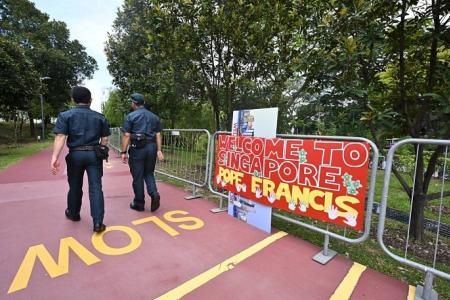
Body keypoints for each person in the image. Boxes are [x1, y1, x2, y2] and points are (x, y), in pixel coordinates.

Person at [50, 86, 111, 232]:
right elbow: (105, 138)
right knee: (96, 187)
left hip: (75, 155)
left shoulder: (65, 116)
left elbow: (60, 136)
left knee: (75, 186)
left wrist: (54, 157)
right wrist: (101, 149)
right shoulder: (100, 117)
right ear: (90, 100)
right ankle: (98, 222)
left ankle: (73, 213)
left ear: (73, 100)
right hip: (93, 155)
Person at [121, 92, 164, 212]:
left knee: (138, 176)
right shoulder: (154, 117)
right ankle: (154, 193)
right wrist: (159, 150)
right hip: (151, 148)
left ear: (134, 103)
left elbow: (126, 135)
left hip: (137, 149)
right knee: (149, 173)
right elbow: (158, 134)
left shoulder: (130, 116)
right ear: (143, 103)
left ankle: (139, 203)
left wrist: (123, 152)